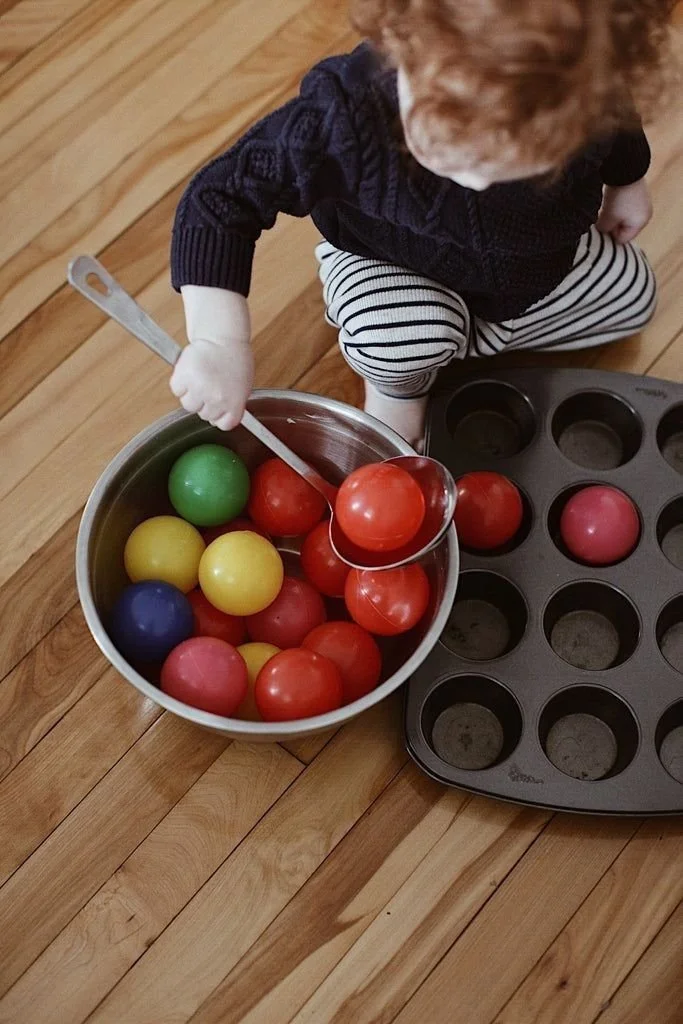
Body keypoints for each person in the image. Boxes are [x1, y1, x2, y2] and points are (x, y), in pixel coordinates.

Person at [169, 0, 673, 448]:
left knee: (636, 297)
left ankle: (468, 338)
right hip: (392, 264)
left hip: (530, 273)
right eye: (448, 136)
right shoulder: (345, 117)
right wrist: (220, 342)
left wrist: (628, 182)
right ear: (401, 35)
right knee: (396, 336)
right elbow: (221, 196)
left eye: (516, 157)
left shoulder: (588, 90)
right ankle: (401, 384)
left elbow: (618, 123)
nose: (474, 177)